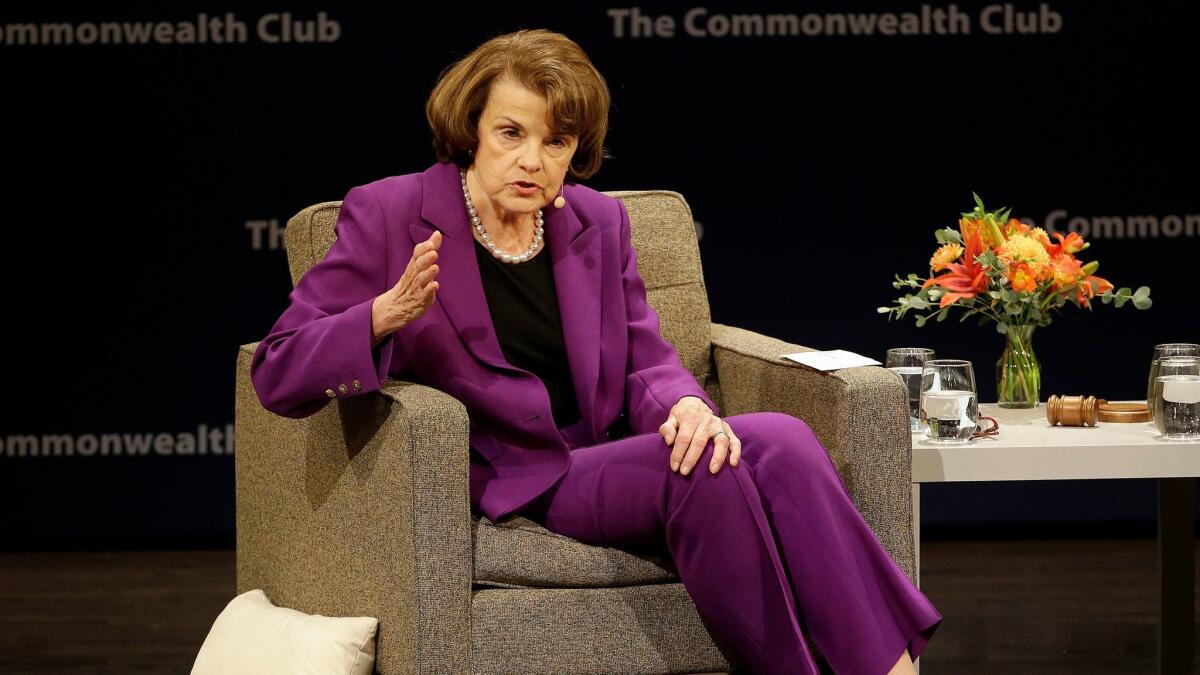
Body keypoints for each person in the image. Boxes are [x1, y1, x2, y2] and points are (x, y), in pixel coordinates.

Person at [249, 28, 941, 675]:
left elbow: (649, 357)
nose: (532, 160)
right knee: (703, 471)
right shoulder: (389, 215)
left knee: (782, 441)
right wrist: (378, 316)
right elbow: (276, 368)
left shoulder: (598, 221)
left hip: (606, 450)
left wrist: (689, 407)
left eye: (556, 142)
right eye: (511, 133)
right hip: (523, 475)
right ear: (471, 130)